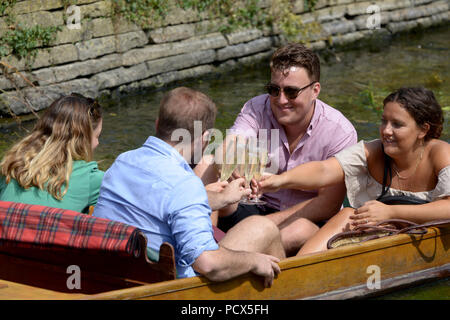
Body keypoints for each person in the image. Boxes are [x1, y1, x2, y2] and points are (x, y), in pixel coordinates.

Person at [93, 87, 285, 286]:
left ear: (158, 123)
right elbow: (209, 265)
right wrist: (254, 261)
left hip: (117, 274)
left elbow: (158, 199)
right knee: (264, 228)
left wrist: (221, 199)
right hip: (170, 288)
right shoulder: (185, 184)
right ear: (204, 138)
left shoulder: (122, 162)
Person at [197, 43, 357, 256]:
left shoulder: (340, 132)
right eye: (274, 90)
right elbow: (231, 144)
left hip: (300, 220)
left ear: (315, 90)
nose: (281, 100)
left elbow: (327, 204)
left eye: (291, 92)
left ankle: (223, 256)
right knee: (207, 164)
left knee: (301, 230)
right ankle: (198, 243)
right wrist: (227, 159)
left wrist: (258, 227)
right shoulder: (256, 108)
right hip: (254, 205)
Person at [259, 87, 450, 255]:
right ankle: (299, 270)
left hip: (429, 238)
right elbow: (324, 170)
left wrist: (391, 212)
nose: (386, 131)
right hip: (385, 234)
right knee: (348, 213)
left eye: (397, 124)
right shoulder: (372, 151)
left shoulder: (441, 153)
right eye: (384, 121)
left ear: (423, 130)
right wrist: (280, 180)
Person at [0, 93, 104, 214]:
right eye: (97, 136)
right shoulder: (91, 178)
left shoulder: (10, 166)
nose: (98, 143)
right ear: (82, 140)